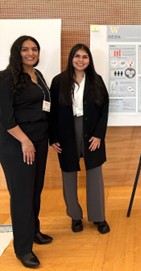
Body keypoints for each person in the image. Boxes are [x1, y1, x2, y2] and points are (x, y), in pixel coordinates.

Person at [0, 36, 53, 268]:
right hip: (17, 143)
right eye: (25, 49)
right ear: (16, 52)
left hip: (39, 140)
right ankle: (23, 249)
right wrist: (24, 141)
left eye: (34, 49)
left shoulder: (37, 75)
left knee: (35, 190)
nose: (30, 53)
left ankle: (33, 231)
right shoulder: (5, 77)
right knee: (21, 195)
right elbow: (5, 117)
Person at [49, 43, 110, 235]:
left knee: (94, 174)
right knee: (68, 173)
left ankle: (98, 217)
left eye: (85, 57)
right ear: (71, 58)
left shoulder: (96, 80)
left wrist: (99, 135)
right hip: (66, 131)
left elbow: (104, 109)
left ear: (89, 60)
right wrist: (53, 138)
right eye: (77, 56)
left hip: (91, 132)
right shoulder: (59, 81)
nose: (81, 60)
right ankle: (75, 216)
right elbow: (51, 111)